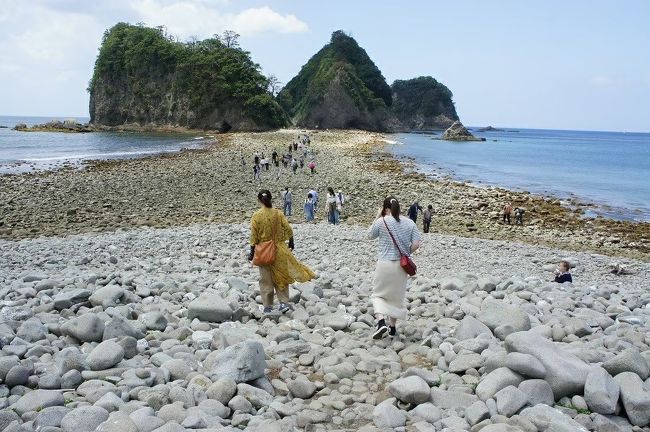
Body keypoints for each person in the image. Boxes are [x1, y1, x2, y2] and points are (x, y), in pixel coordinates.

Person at [248, 190, 315, 313]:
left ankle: (267, 306)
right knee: (281, 276)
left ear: (258, 201)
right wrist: (291, 242)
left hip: (264, 251)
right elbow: (288, 229)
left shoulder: (256, 215)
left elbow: (254, 236)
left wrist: (252, 252)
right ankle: (283, 303)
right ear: (271, 199)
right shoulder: (278, 213)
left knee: (266, 279)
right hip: (280, 249)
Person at [368, 197, 422, 339]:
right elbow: (416, 244)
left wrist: (378, 216)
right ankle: (392, 328)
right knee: (396, 298)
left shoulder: (382, 221)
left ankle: (381, 323)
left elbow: (370, 235)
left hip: (384, 264)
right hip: (401, 266)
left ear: (386, 209)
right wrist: (406, 253)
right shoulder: (410, 223)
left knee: (377, 294)